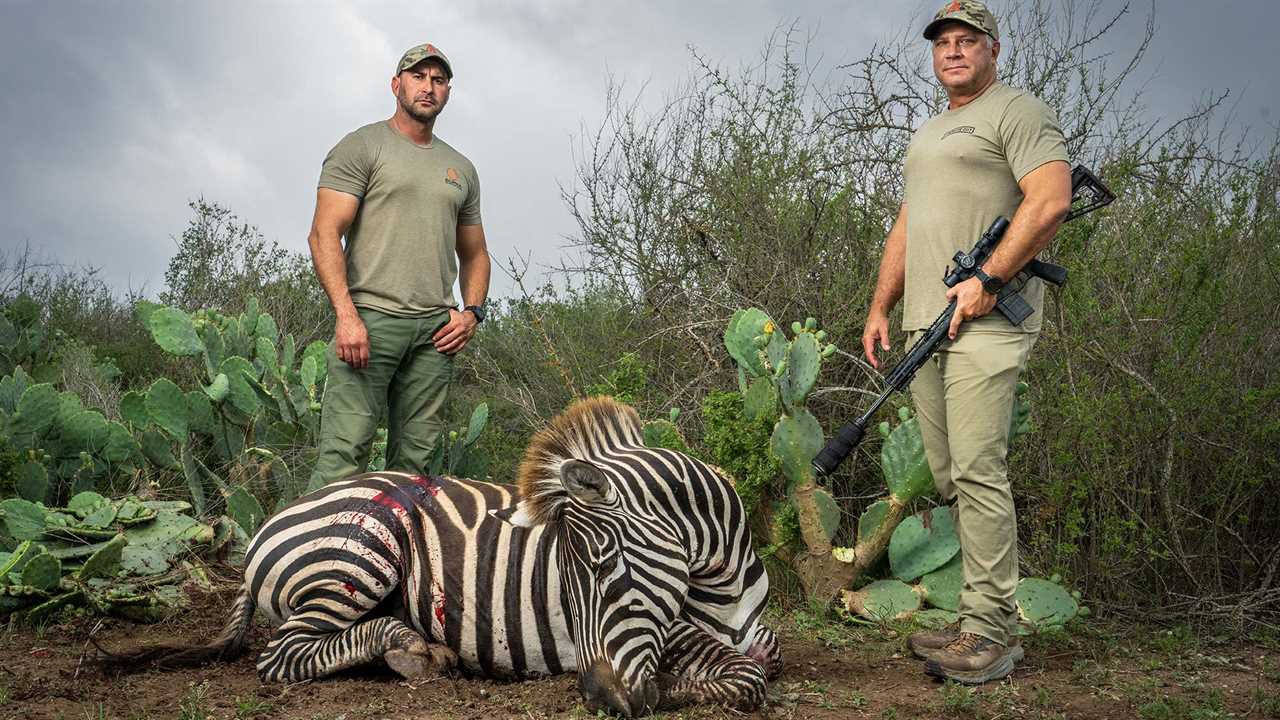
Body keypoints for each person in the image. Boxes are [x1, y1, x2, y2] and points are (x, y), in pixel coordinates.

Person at [861, 1, 1072, 684]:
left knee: (981, 471)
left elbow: (1052, 199)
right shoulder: (930, 132)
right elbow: (907, 224)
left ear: (993, 49)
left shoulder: (1017, 112)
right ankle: (976, 615)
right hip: (926, 323)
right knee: (952, 475)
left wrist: (987, 277)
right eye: (943, 42)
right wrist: (880, 303)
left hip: (987, 321)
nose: (954, 51)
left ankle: (993, 634)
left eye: (967, 41)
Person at [305, 42, 491, 491]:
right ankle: (308, 558)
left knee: (416, 470)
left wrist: (472, 313)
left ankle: (397, 561)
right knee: (342, 457)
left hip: (435, 333)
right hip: (369, 322)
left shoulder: (459, 168)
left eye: (439, 79)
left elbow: (476, 254)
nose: (428, 87)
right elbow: (323, 234)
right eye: (418, 76)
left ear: (447, 91)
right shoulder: (362, 146)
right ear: (397, 84)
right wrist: (347, 316)